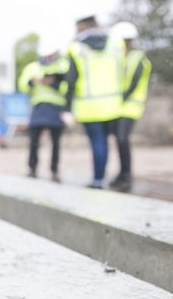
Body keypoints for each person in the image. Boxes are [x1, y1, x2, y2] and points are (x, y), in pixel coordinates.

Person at [62, 15, 125, 188]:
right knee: (112, 142)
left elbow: (71, 80)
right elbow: (123, 71)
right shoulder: (115, 44)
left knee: (98, 143)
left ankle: (98, 179)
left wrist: (67, 108)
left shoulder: (76, 48)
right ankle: (121, 175)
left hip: (90, 107)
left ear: (84, 26)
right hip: (114, 104)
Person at [17, 38, 69, 182]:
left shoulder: (63, 66)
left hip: (56, 108)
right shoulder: (33, 67)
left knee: (56, 143)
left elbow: (68, 88)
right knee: (34, 141)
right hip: (38, 107)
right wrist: (32, 82)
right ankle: (32, 169)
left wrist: (53, 84)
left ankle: (54, 171)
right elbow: (22, 86)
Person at [108, 21, 152, 192]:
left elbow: (133, 82)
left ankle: (127, 175)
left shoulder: (138, 58)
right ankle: (122, 174)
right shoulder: (117, 57)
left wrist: (120, 98)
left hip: (131, 107)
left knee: (122, 138)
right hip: (117, 107)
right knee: (119, 141)